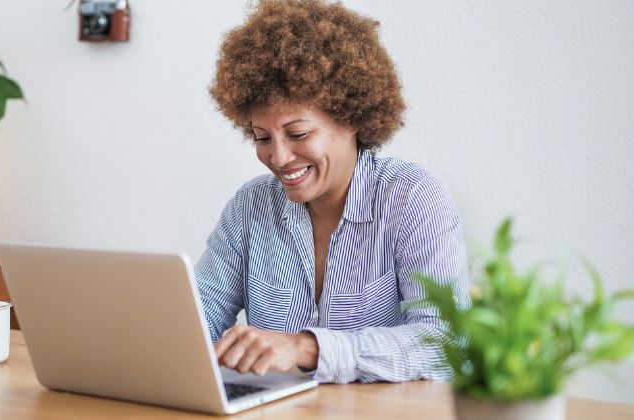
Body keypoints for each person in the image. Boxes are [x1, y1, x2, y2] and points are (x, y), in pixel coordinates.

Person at [195, 0, 470, 384]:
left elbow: (448, 343)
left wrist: (308, 348)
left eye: (298, 134)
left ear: (352, 116)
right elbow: (197, 321)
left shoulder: (411, 198)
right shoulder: (250, 207)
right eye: (261, 137)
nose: (278, 156)